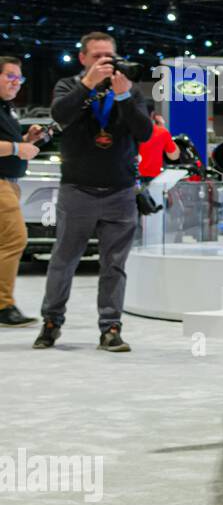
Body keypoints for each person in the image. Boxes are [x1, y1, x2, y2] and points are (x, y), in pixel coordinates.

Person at [33, 32, 152, 353]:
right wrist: (87, 84)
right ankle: (51, 323)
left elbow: (144, 132)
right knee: (63, 261)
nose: (105, 62)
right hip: (77, 190)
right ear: (83, 59)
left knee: (114, 265)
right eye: (98, 56)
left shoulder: (129, 89)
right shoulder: (67, 86)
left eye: (109, 57)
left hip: (121, 192)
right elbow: (60, 116)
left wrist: (125, 97)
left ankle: (111, 328)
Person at [0, 56, 45, 327]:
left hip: (10, 183)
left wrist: (26, 139)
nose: (16, 82)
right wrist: (19, 148)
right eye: (10, 76)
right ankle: (3, 305)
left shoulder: (7, 110)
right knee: (16, 239)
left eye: (20, 78)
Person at [137, 109, 180, 184]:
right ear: (153, 115)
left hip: (129, 179)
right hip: (152, 179)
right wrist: (163, 128)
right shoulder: (161, 132)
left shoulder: (125, 131)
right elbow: (174, 156)